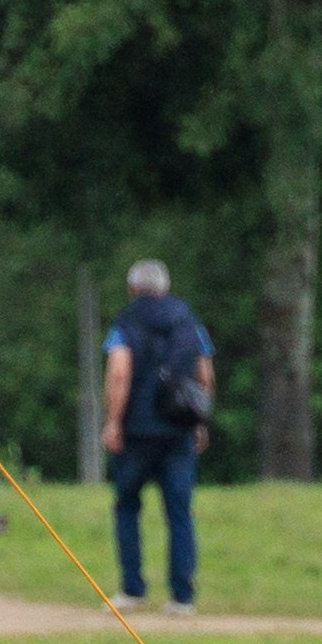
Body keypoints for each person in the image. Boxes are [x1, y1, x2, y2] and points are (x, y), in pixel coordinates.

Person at [101, 260, 214, 616]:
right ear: (165, 287)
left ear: (133, 288)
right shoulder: (189, 322)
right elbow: (204, 375)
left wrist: (113, 422)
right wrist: (198, 423)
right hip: (179, 430)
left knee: (127, 507)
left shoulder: (124, 323)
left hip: (136, 432)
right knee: (179, 512)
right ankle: (182, 597)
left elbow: (120, 372)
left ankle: (132, 589)